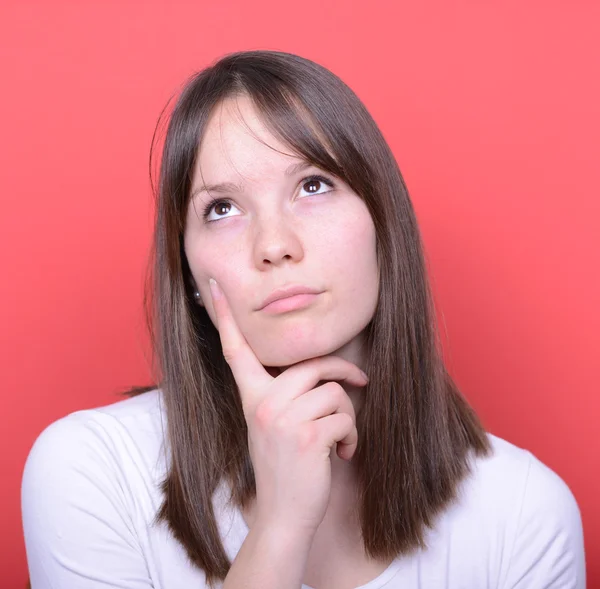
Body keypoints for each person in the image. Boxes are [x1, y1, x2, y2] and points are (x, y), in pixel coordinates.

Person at [21, 49, 586, 589]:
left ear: (383, 228)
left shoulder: (523, 513)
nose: (274, 245)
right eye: (222, 209)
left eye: (313, 186)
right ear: (190, 276)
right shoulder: (91, 471)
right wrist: (278, 530)